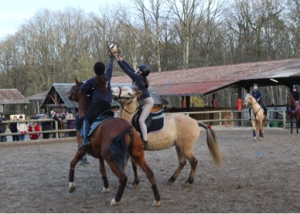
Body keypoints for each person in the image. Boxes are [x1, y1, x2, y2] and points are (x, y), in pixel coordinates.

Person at [113, 52, 154, 149]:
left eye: (139, 69)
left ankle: (145, 140)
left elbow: (126, 70)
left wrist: (118, 61)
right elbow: (129, 67)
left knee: (141, 120)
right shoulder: (138, 76)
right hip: (142, 101)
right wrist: (121, 59)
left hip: (148, 102)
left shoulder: (138, 77)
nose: (137, 69)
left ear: (141, 72)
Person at [79, 52, 115, 149]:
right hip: (108, 105)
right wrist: (111, 58)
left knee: (86, 118)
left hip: (97, 105)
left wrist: (91, 90)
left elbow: (82, 89)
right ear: (104, 70)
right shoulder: (108, 76)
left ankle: (85, 139)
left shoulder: (92, 80)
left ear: (95, 71)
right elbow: (110, 67)